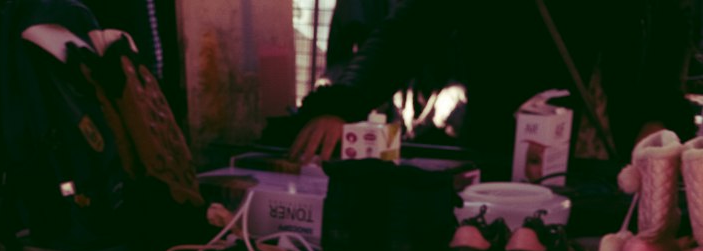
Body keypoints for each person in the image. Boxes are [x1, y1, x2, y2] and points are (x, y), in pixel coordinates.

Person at [290, 0, 695, 168]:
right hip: (507, 147)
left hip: (621, 145)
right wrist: (341, 103)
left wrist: (657, 114)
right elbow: (409, 30)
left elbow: (668, 27)